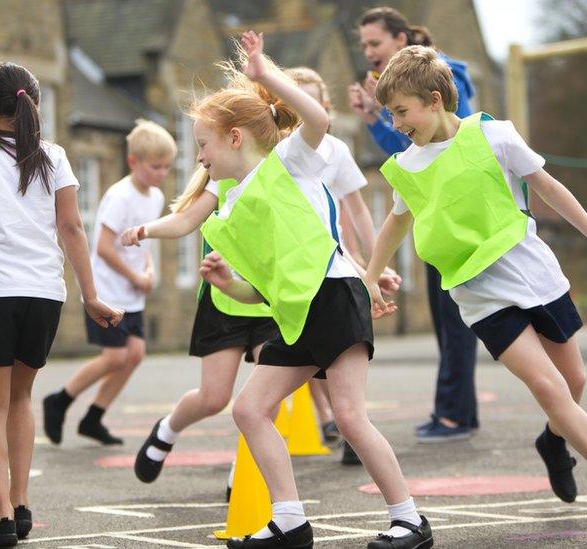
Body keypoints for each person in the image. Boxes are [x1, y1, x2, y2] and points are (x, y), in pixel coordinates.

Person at [365, 45, 587, 527]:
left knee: (572, 382)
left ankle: (553, 442)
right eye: (390, 113)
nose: (396, 124)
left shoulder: (494, 136)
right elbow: (395, 224)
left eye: (401, 111)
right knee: (548, 385)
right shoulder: (407, 167)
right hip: (479, 292)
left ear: (435, 100)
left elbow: (549, 187)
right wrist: (370, 277)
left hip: (533, 271)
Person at [197, 31, 432, 549]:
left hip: (334, 294)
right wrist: (227, 284)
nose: (199, 158)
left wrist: (264, 76)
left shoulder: (287, 163)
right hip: (297, 312)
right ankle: (290, 521)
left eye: (203, 145)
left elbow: (319, 120)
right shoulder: (230, 212)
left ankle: (410, 519)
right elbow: (259, 292)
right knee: (248, 410)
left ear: (236, 138)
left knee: (349, 417)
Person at [0, 62, 123, 547]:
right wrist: (90, 295)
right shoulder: (53, 155)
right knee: (20, 399)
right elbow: (72, 228)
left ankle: (0, 516)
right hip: (44, 293)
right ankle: (21, 501)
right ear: (29, 103)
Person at [349, 6, 480, 443]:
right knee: (448, 319)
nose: (368, 52)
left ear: (400, 40)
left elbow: (437, 145)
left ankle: (455, 414)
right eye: (364, 44)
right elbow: (405, 150)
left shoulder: (442, 78)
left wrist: (379, 115)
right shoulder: (394, 92)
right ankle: (457, 411)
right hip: (430, 210)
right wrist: (373, 118)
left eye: (375, 43)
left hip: (458, 213)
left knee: (458, 316)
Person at [285, 66, 402, 459]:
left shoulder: (336, 151)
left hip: (339, 255)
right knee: (309, 349)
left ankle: (344, 420)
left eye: (312, 98)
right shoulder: (278, 153)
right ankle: (329, 417)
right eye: (293, 97)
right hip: (298, 263)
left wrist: (375, 263)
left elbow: (358, 211)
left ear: (323, 105)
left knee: (342, 347)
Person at [43, 120, 173, 446]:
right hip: (109, 292)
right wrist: (134, 277)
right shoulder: (120, 196)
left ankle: (93, 417)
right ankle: (59, 400)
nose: (162, 173)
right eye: (155, 166)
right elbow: (103, 247)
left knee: (136, 354)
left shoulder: (155, 197)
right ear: (133, 162)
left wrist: (150, 271)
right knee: (115, 357)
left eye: (167, 167)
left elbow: (145, 243)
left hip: (133, 292)